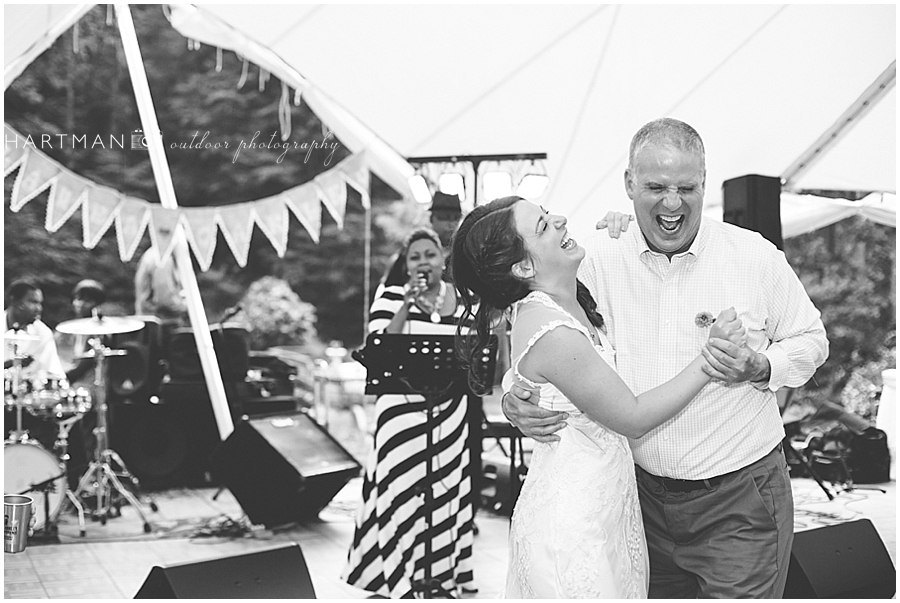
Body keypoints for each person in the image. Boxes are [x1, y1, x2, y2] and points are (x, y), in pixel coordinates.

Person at [503, 118, 829, 598]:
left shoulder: (753, 257)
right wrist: (519, 395)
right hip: (637, 504)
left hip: (739, 501)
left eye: (687, 187)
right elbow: (545, 329)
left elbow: (811, 339)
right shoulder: (594, 259)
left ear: (704, 181)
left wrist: (761, 367)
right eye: (656, 187)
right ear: (629, 184)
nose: (673, 202)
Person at [450, 195, 744, 598]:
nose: (560, 218)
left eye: (548, 212)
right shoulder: (552, 330)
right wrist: (710, 357)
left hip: (605, 508)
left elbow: (542, 379)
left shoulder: (567, 295)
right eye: (542, 225)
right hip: (574, 525)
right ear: (523, 266)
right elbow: (632, 417)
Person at [342, 227, 477, 598]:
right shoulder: (389, 297)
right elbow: (380, 347)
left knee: (445, 490)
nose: (422, 263)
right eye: (414, 257)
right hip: (401, 414)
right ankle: (396, 578)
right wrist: (407, 303)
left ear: (443, 259)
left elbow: (477, 351)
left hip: (449, 410)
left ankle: (440, 577)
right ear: (406, 264)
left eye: (429, 255)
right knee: (400, 488)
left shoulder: (465, 301)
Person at [4, 280, 66, 449]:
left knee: (48, 430)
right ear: (14, 301)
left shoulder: (42, 333)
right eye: (32, 302)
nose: (39, 308)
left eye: (40, 303)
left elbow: (52, 373)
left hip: (27, 405)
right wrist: (12, 364)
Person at [134, 244, 188, 326]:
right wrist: (187, 306)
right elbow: (165, 300)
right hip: (162, 326)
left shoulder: (154, 254)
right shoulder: (163, 260)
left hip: (152, 323)